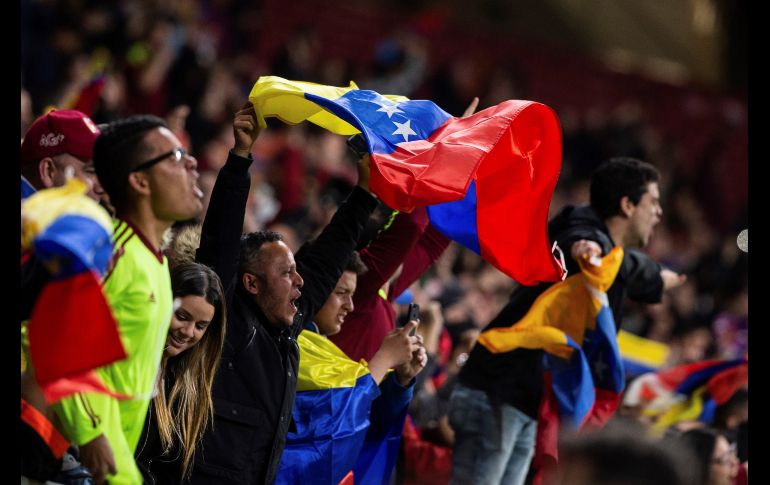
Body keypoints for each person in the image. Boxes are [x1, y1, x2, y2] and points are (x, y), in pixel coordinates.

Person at [449, 157, 686, 485]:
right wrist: (584, 247)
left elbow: (631, 266)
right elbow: (577, 235)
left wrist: (659, 277)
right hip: (497, 391)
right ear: (628, 205)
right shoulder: (581, 234)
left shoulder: (614, 261)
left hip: (524, 403)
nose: (659, 212)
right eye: (654, 202)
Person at [188, 103, 380, 484]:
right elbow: (220, 241)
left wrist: (365, 193)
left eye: (296, 272)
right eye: (287, 273)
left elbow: (327, 260)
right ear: (251, 283)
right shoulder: (227, 322)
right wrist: (240, 159)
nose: (300, 281)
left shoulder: (285, 329)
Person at [52, 114, 204, 484]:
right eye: (175, 156)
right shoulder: (110, 253)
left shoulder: (153, 262)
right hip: (77, 462)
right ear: (139, 181)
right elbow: (54, 341)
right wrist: (89, 434)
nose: (192, 162)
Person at [276, 252, 426, 483]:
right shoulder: (292, 344)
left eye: (353, 295)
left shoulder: (329, 353)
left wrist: (401, 380)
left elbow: (368, 425)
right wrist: (384, 359)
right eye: (341, 293)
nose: (350, 306)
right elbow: (336, 427)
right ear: (313, 289)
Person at [136, 262, 227, 484]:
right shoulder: (129, 363)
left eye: (200, 326)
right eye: (182, 316)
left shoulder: (185, 385)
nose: (187, 332)